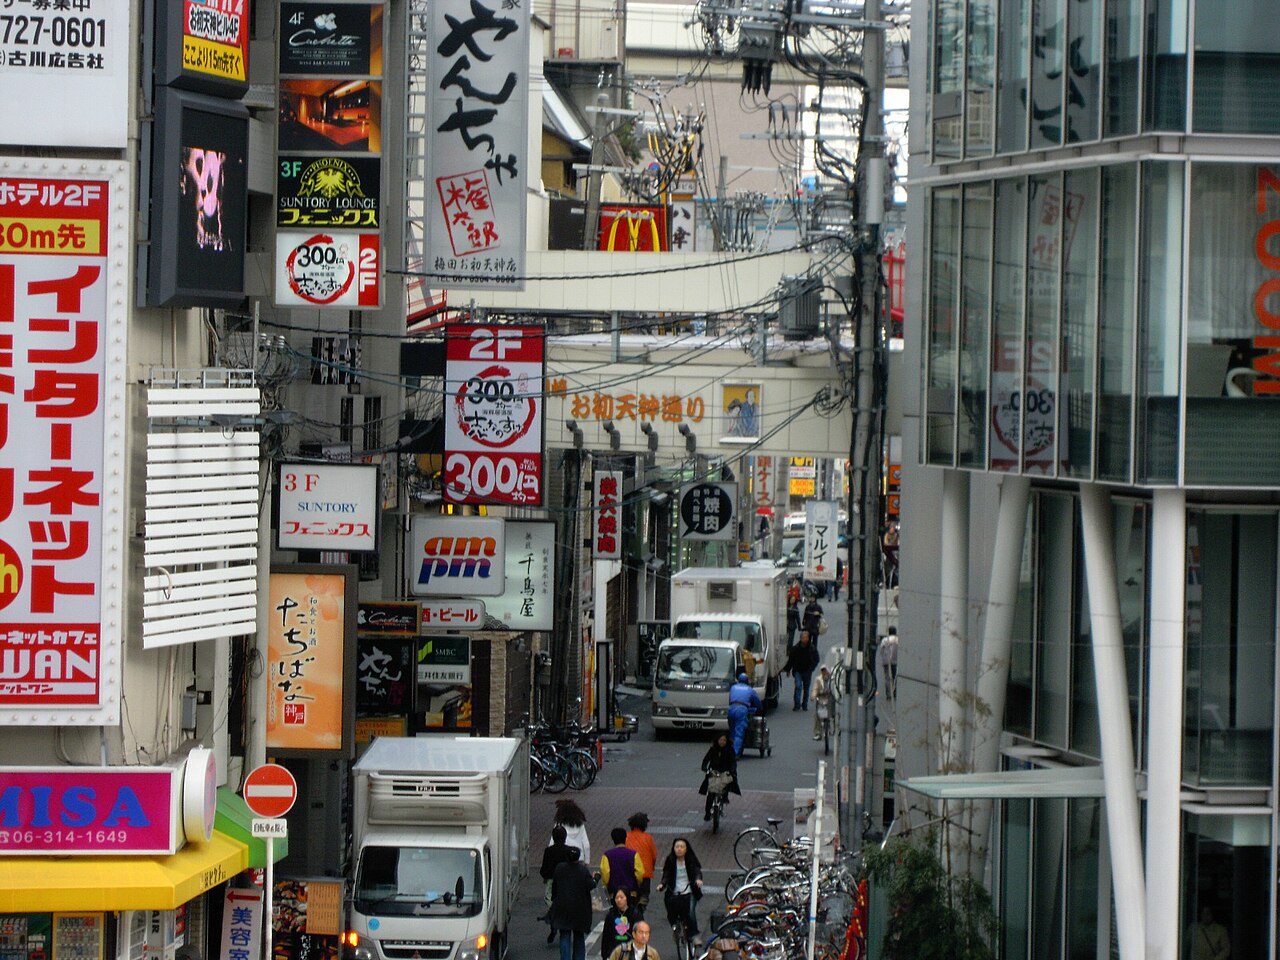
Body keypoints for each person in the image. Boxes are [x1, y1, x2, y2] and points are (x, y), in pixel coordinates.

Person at [550, 847, 596, 960]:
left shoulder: (560, 868)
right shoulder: (583, 870)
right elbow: (591, 885)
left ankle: (565, 958)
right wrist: (596, 878)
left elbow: (554, 886)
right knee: (579, 935)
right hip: (579, 908)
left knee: (564, 934)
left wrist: (554, 899)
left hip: (563, 907)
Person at [657, 837, 704, 940]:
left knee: (690, 912)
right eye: (677, 847)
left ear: (686, 849)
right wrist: (662, 884)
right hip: (674, 892)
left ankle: (695, 935)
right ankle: (675, 926)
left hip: (689, 891)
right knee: (671, 911)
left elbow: (697, 871)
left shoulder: (691, 859)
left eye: (682, 847)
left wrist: (698, 879)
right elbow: (666, 874)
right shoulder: (670, 860)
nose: (679, 849)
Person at [541, 825, 578, 943]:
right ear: (565, 837)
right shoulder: (569, 851)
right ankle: (563, 922)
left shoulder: (548, 851)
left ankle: (554, 923)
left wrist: (546, 876)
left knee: (550, 901)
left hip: (552, 880)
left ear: (553, 837)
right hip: (567, 881)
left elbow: (544, 869)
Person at [698, 733, 741, 820]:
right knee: (711, 793)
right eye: (721, 740)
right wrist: (705, 768)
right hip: (714, 772)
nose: (722, 742)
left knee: (727, 783)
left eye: (724, 740)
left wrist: (731, 771)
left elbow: (733, 762)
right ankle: (707, 813)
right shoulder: (713, 749)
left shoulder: (730, 750)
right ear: (717, 740)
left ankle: (725, 797)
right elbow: (706, 760)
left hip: (725, 772)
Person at [600, 827, 644, 905]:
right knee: (630, 911)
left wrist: (606, 885)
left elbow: (605, 875)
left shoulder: (607, 855)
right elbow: (640, 873)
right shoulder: (634, 854)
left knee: (615, 911)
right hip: (631, 892)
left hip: (614, 893)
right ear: (625, 839)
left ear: (613, 840)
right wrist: (637, 884)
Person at [625, 812, 658, 912]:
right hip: (645, 872)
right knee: (644, 892)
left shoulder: (626, 836)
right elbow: (654, 855)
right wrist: (652, 867)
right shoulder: (648, 838)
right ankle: (642, 901)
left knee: (630, 896)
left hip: (629, 871)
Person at [600, 887, 643, 959]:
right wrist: (605, 955)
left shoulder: (635, 914)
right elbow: (606, 936)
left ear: (627, 898)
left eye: (621, 897)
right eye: (617, 898)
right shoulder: (611, 915)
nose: (619, 900)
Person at [727, 672, 762, 757]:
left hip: (731, 708)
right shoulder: (749, 689)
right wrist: (759, 709)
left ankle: (730, 751)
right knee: (739, 732)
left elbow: (730, 699)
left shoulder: (733, 687)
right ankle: (735, 753)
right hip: (741, 710)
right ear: (747, 681)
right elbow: (757, 703)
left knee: (732, 731)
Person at [783, 631, 820, 711]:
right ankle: (797, 704)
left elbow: (817, 659)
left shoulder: (812, 648)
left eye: (806, 638)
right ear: (800, 638)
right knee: (798, 686)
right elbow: (791, 660)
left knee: (806, 688)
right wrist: (788, 669)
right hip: (798, 671)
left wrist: (812, 668)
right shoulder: (796, 648)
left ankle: (804, 704)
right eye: (803, 638)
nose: (805, 639)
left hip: (807, 671)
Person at [552, 798, 591, 865]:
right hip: (578, 857)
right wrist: (587, 860)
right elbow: (586, 844)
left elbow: (552, 842)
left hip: (563, 857)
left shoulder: (559, 825)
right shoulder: (580, 825)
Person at [811, 664, 832, 739]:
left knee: (834, 713)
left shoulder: (832, 679)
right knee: (817, 715)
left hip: (830, 699)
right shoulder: (818, 679)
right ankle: (818, 733)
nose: (824, 672)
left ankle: (836, 729)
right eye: (822, 670)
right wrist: (813, 696)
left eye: (825, 670)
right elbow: (815, 689)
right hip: (821, 699)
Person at [878, 627, 899, 700]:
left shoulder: (885, 640)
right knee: (895, 677)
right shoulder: (897, 640)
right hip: (895, 661)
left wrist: (883, 657)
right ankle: (895, 692)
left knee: (887, 678)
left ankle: (889, 694)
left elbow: (881, 650)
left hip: (886, 661)